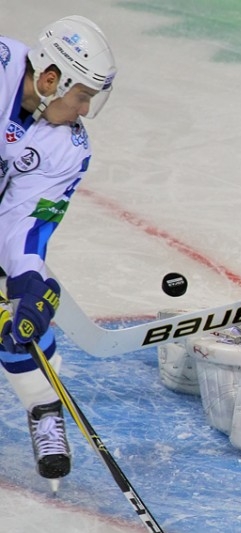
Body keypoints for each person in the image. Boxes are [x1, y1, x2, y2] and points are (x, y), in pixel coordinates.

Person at [0, 16, 117, 485]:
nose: (85, 110)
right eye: (82, 96)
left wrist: (28, 281)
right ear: (51, 80)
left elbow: (22, 222)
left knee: (18, 319)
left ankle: (44, 407)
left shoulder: (68, 147)